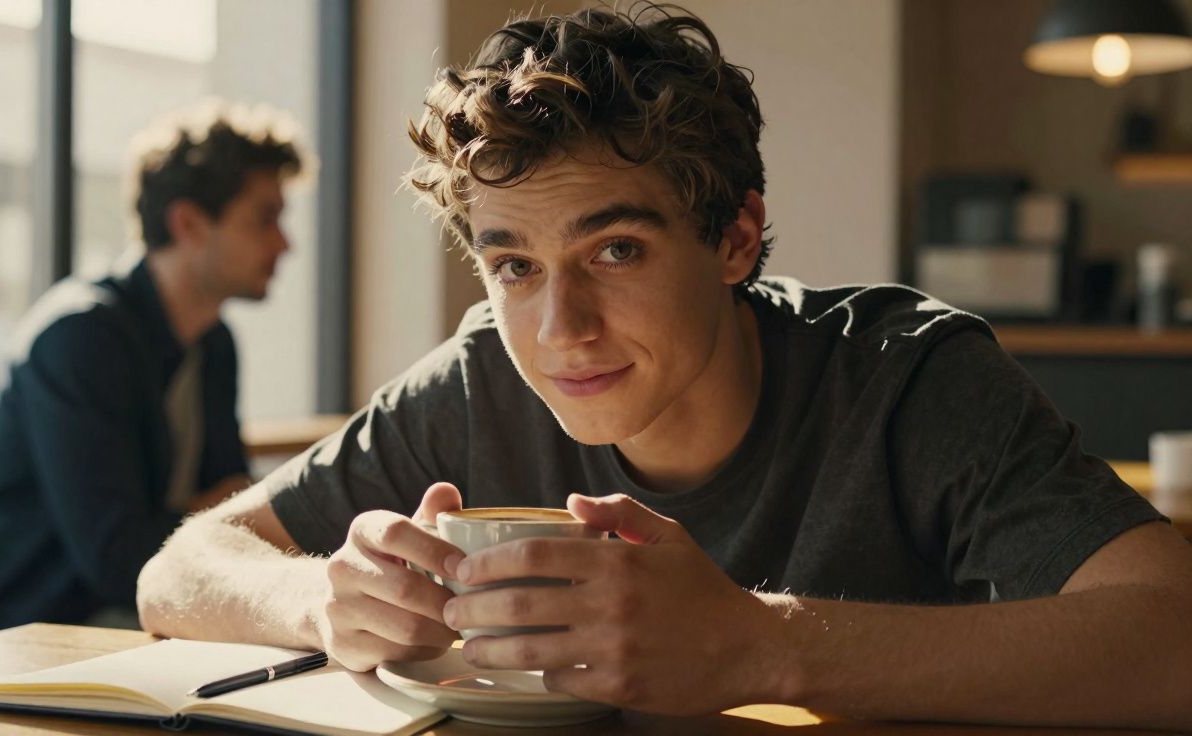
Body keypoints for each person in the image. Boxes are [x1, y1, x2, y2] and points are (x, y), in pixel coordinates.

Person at [136, 7, 1192, 730]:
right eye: (513, 265)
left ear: (734, 240)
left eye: (616, 251)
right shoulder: (478, 380)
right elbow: (180, 569)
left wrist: (759, 646)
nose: (560, 326)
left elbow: (1173, 639)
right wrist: (321, 599)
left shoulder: (904, 379)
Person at [0, 102, 305, 633]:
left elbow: (236, 505)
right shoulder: (78, 338)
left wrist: (208, 518)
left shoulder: (214, 343)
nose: (285, 243)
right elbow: (116, 560)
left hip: (152, 611)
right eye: (265, 218)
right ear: (189, 223)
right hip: (51, 630)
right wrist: (213, 517)